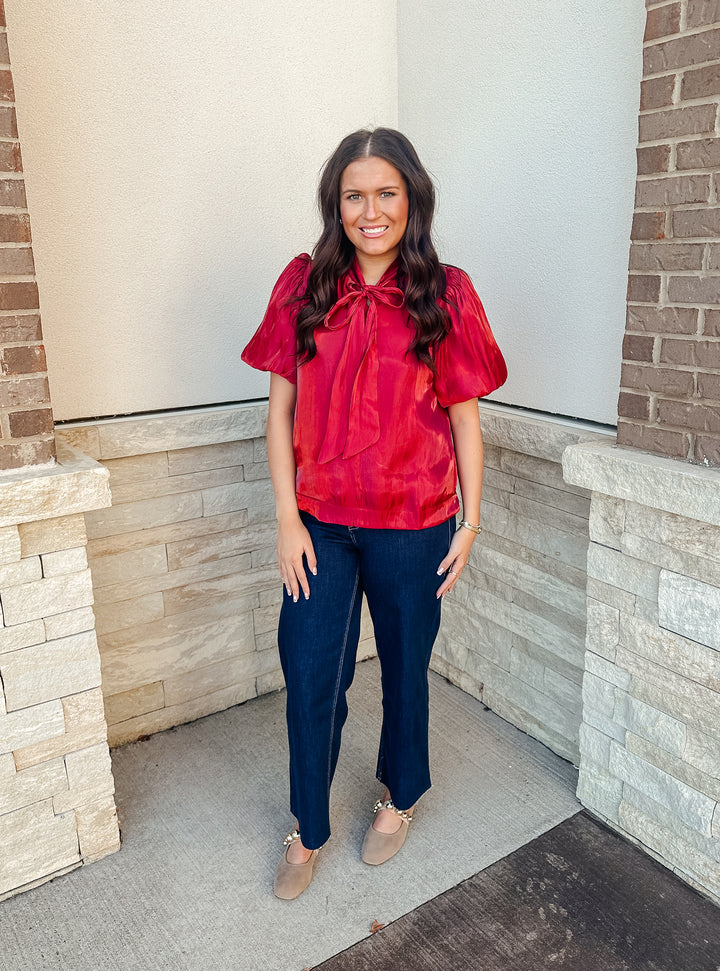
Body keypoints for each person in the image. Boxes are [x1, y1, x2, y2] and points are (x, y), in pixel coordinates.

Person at [241, 127, 507, 900]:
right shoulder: (304, 283)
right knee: (310, 673)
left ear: (411, 197)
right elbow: (279, 416)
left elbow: (464, 419)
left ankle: (402, 793)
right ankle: (308, 827)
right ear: (337, 203)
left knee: (403, 670)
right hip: (322, 525)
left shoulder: (444, 291)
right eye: (354, 194)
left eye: (385, 192)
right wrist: (288, 519)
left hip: (415, 522)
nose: (370, 209)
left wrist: (471, 520)